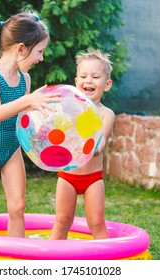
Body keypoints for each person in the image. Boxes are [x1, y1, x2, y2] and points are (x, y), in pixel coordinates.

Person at [0, 11, 61, 237]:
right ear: (21, 48)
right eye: (39, 52)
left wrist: (42, 112)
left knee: (18, 207)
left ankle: (17, 259)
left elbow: (22, 115)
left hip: (12, 147)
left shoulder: (25, 79)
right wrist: (28, 101)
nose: (41, 58)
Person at [51, 49, 116, 240]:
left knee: (96, 222)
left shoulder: (106, 114)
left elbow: (101, 141)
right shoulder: (68, 110)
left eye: (95, 76)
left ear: (107, 84)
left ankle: (108, 260)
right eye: (83, 76)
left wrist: (95, 146)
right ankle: (51, 259)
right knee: (62, 220)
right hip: (68, 177)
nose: (89, 80)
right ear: (76, 82)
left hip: (93, 179)